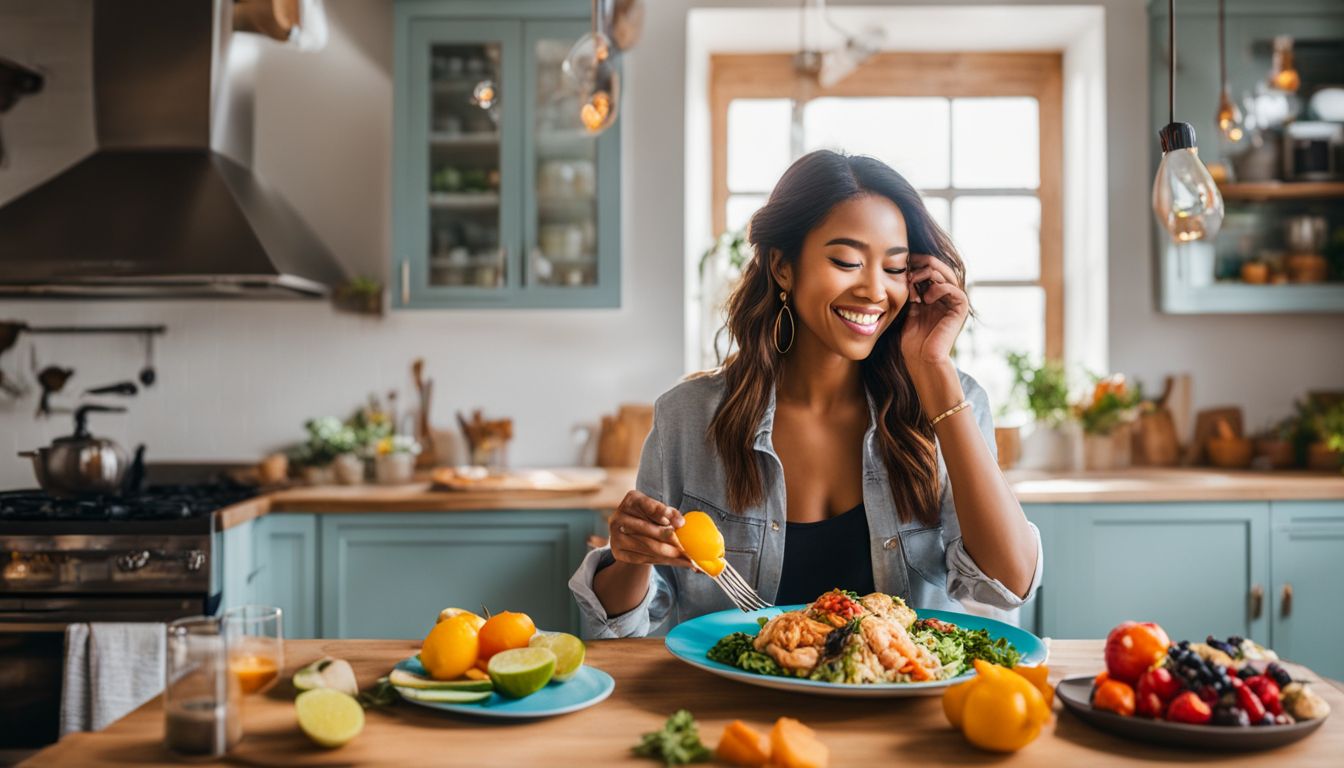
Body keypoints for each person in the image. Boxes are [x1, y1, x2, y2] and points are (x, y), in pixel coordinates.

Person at [569, 149, 1042, 638]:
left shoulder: (953, 401)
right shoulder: (688, 416)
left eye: (895, 268)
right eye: (846, 261)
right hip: (733, 711)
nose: (875, 290)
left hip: (901, 708)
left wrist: (935, 370)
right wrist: (628, 558)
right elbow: (621, 630)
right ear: (782, 267)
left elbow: (1008, 584)